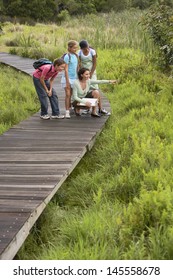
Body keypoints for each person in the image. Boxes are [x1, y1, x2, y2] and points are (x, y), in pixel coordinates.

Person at [61, 40, 79, 119]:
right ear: (69, 48)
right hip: (67, 78)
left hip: (74, 78)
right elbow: (66, 70)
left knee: (72, 94)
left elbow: (77, 68)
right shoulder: (67, 56)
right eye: (74, 48)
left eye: (76, 48)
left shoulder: (76, 56)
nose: (75, 49)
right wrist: (67, 81)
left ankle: (71, 108)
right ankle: (67, 111)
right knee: (68, 94)